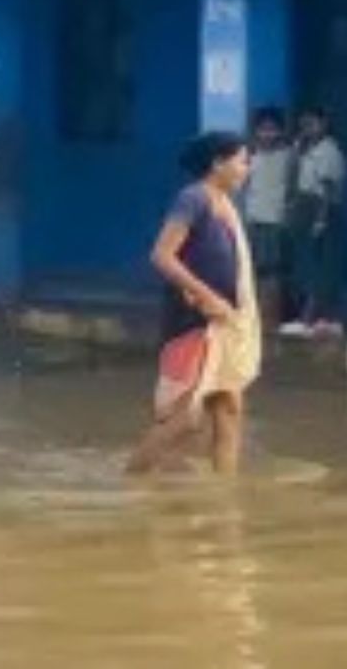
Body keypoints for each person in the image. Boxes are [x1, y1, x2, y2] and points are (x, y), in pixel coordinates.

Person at [127, 131, 262, 476]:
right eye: (243, 160)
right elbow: (162, 256)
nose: (247, 167)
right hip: (193, 321)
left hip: (225, 324)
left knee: (228, 412)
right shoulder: (193, 199)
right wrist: (207, 296)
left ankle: (225, 498)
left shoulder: (224, 203)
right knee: (185, 419)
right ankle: (133, 481)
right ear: (218, 163)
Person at [282, 106, 347, 339]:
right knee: (309, 265)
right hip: (305, 206)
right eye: (303, 125)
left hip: (323, 209)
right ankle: (326, 319)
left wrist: (321, 219)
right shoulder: (303, 150)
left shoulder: (329, 151)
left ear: (324, 124)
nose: (307, 129)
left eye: (312, 124)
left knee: (322, 268)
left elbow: (328, 190)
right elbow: (292, 179)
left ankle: (308, 318)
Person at [242, 107, 294, 330]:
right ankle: (252, 319)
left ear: (281, 132)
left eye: (273, 130)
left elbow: (293, 188)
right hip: (253, 220)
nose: (267, 135)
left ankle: (270, 320)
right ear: (255, 132)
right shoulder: (248, 157)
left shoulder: (289, 157)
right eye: (263, 130)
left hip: (276, 222)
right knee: (250, 271)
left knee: (273, 273)